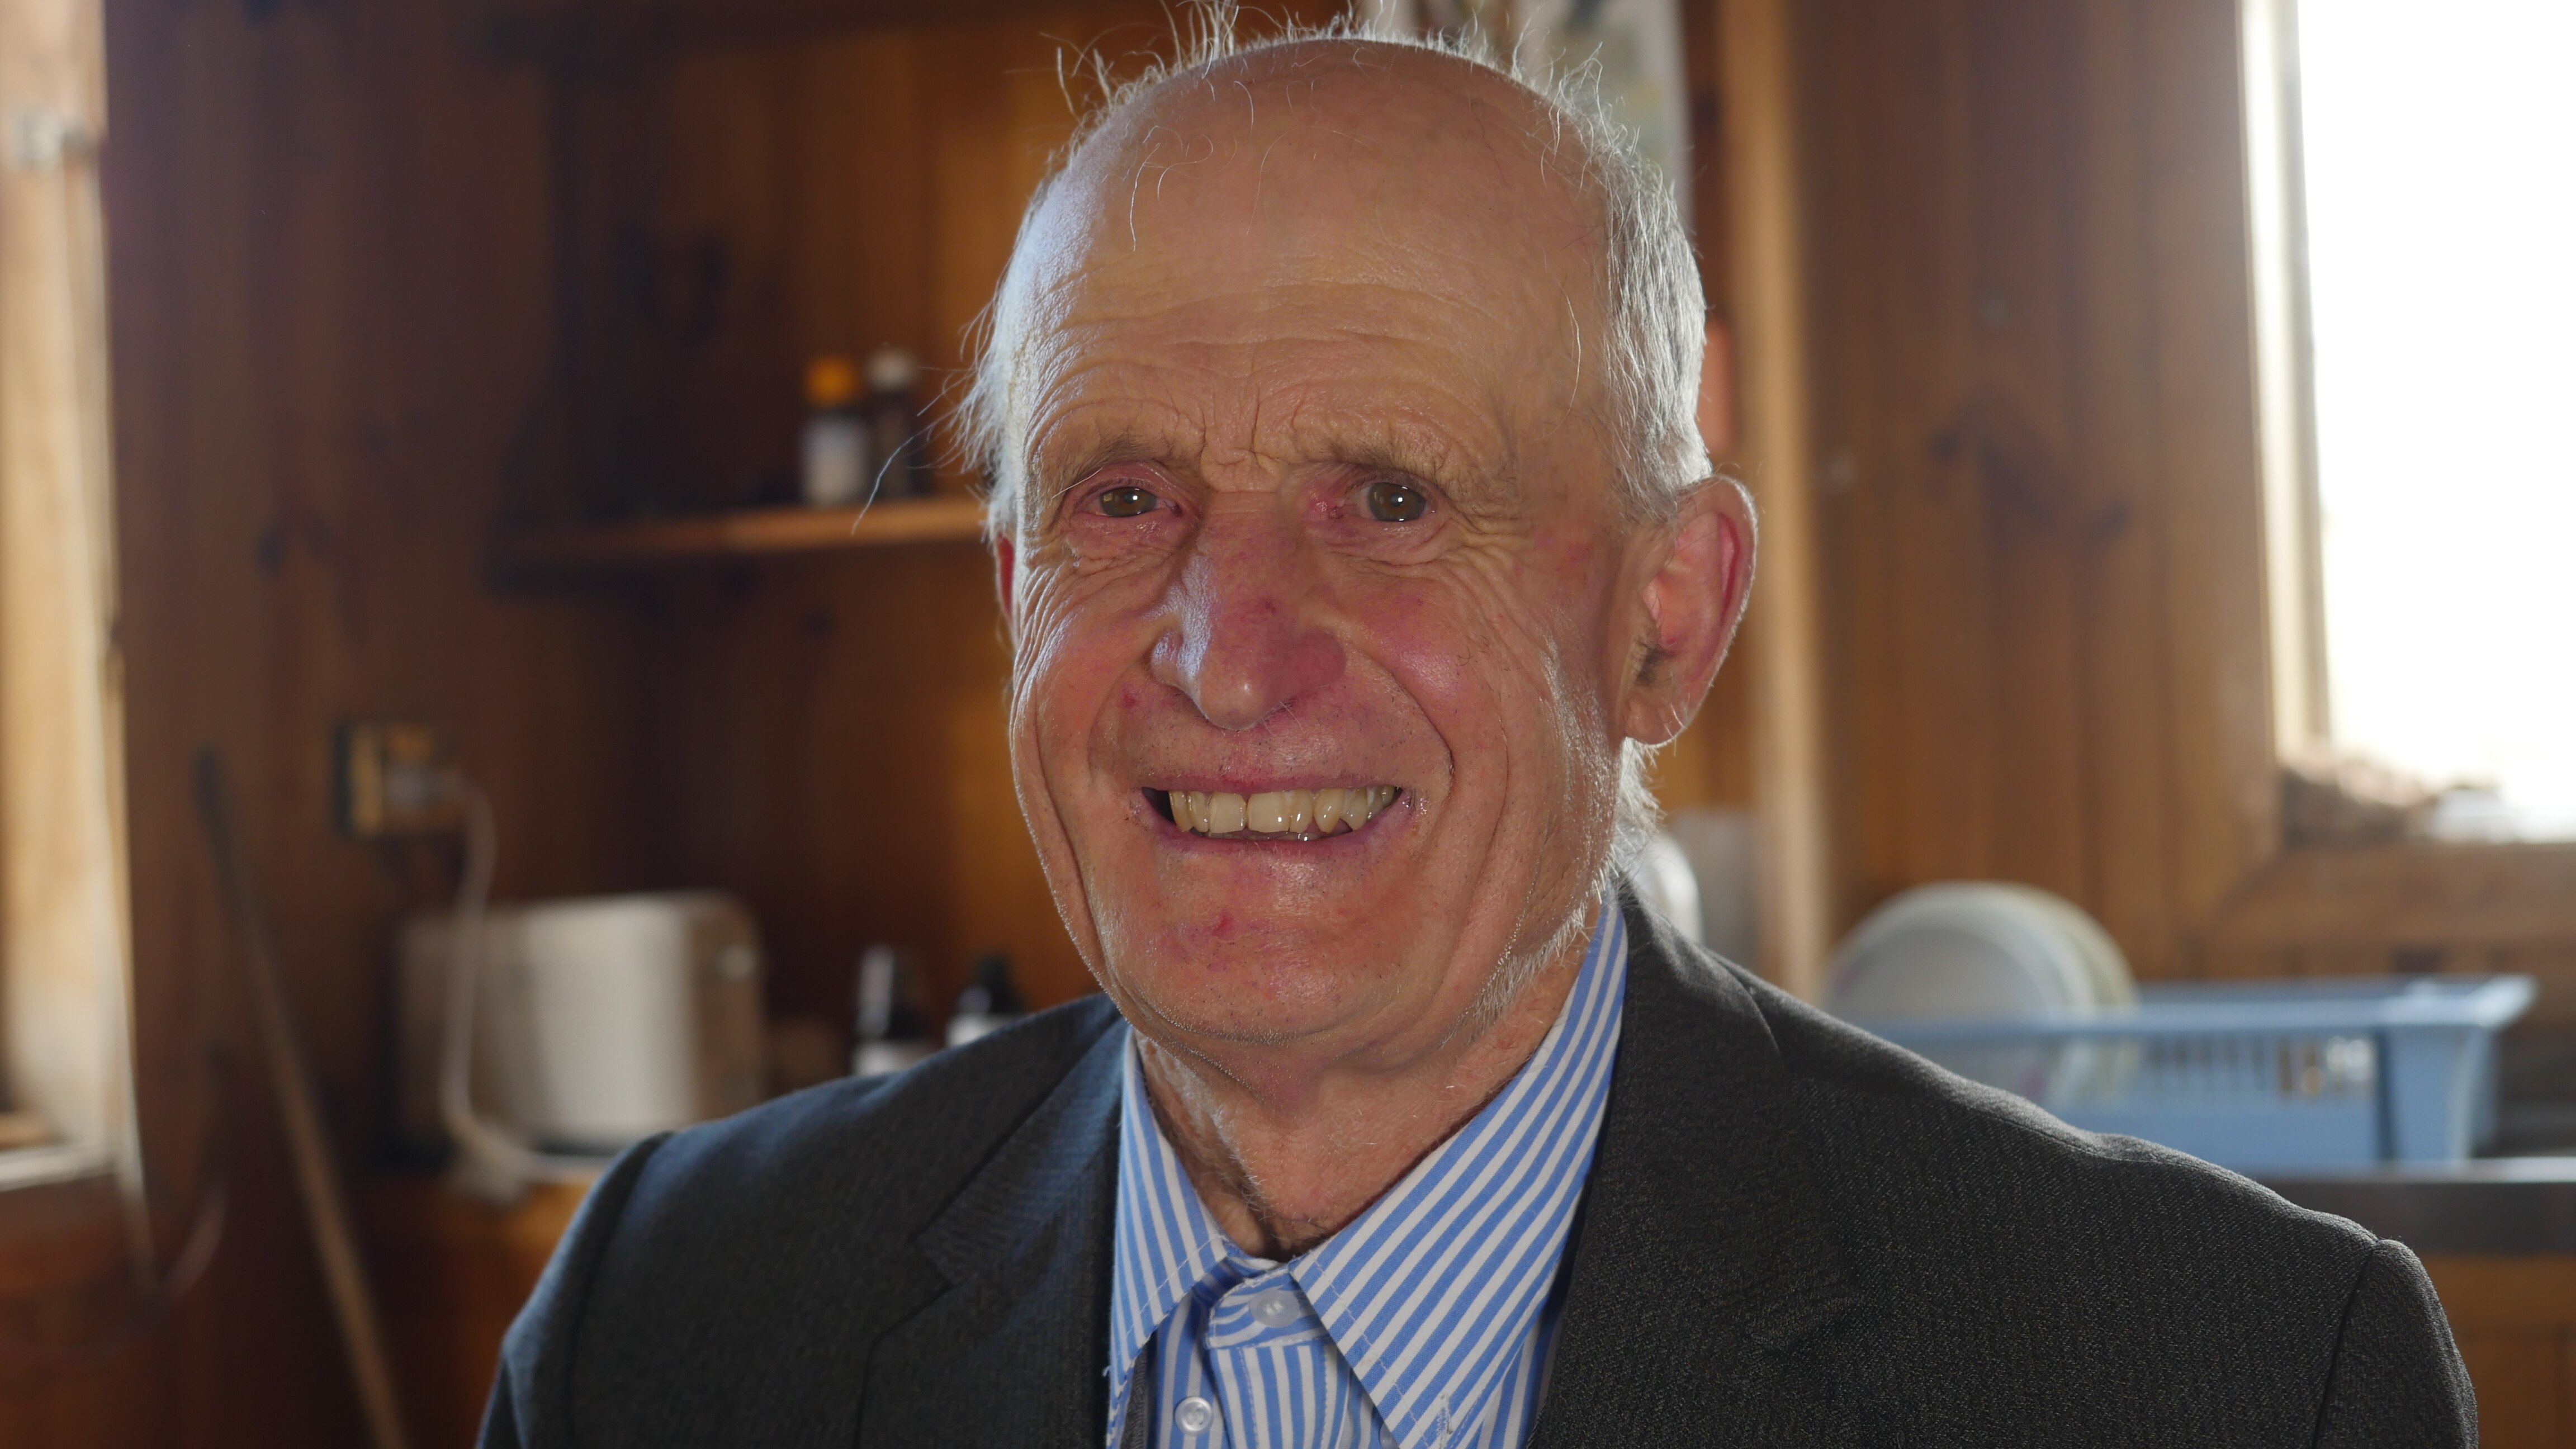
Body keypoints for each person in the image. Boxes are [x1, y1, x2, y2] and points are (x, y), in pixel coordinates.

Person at [480, 19, 2473, 1449]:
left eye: (1390, 498)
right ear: (1017, 598)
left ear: (1667, 622)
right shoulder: (667, 1318)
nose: (1227, 661)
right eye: (1125, 497)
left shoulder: (2226, 1380)